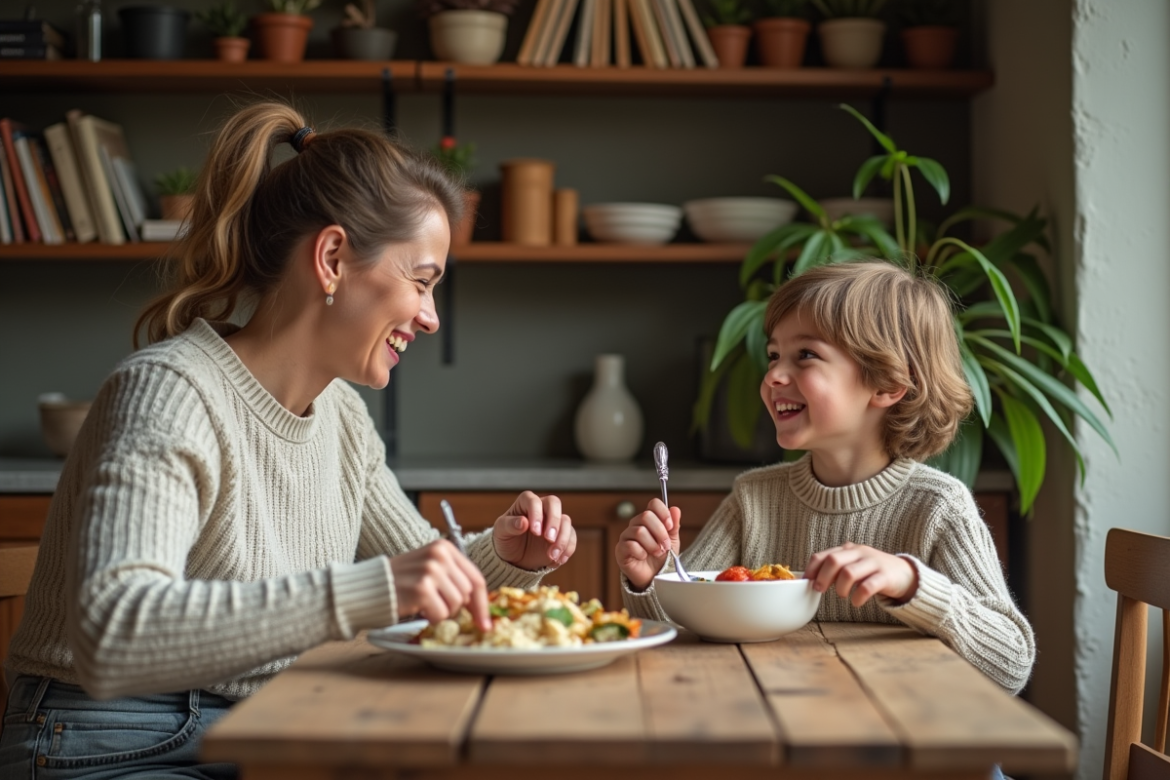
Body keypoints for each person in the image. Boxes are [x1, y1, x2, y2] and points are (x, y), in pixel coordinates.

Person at [0, 101, 577, 779]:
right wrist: (370, 590)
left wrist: (504, 555)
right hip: (111, 736)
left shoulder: (340, 417)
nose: (428, 317)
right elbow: (113, 634)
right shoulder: (169, 392)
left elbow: (416, 577)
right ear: (332, 258)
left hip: (268, 722)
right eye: (421, 282)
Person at [615, 260, 1035, 696]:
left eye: (806, 356)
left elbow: (1011, 663)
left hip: (918, 747)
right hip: (793, 732)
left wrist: (914, 585)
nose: (773, 375)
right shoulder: (755, 498)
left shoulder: (938, 506)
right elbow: (682, 622)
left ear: (888, 384)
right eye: (775, 354)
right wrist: (654, 577)